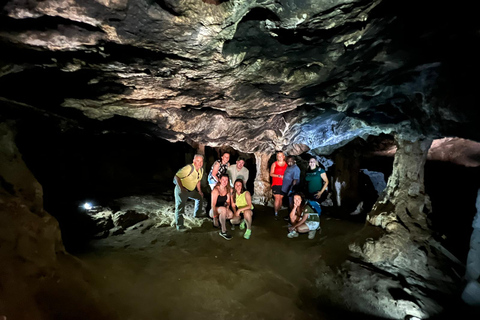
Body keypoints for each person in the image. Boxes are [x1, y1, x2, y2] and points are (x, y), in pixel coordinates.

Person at [174, 154, 205, 230]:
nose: (200, 163)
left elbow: (198, 181)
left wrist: (200, 191)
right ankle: (180, 226)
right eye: (198, 161)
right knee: (180, 207)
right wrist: (181, 188)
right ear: (194, 161)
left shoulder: (201, 170)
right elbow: (176, 176)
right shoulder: (189, 168)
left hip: (191, 190)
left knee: (199, 198)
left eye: (201, 161)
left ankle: (197, 216)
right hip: (182, 189)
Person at [209, 174, 234, 240]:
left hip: (223, 209)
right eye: (223, 180)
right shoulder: (216, 190)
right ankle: (223, 230)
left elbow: (228, 202)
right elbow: (213, 204)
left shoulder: (227, 190)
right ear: (220, 180)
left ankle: (221, 219)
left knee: (230, 215)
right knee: (223, 210)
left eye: (226, 180)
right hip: (213, 210)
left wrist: (227, 208)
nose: (224, 182)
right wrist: (214, 218)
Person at [270, 151, 287, 219]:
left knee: (281, 198)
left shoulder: (286, 164)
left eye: (281, 156)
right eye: (278, 156)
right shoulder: (274, 164)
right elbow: (271, 174)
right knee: (277, 198)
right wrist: (279, 176)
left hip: (284, 184)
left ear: (284, 156)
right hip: (276, 183)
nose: (280, 157)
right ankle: (276, 212)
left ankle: (279, 210)